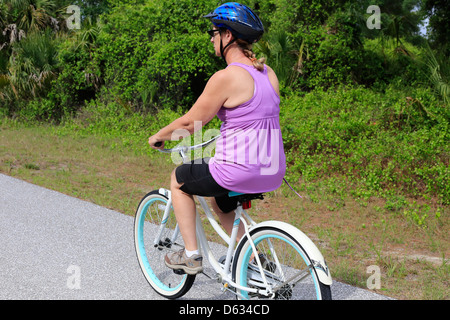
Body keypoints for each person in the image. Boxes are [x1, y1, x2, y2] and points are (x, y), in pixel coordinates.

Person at [148, 2, 286, 275]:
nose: (211, 38)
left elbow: (190, 123)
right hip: (272, 171)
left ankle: (190, 256)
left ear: (228, 36)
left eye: (213, 32)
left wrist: (158, 136)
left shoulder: (227, 77)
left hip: (237, 171)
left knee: (179, 179)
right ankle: (256, 257)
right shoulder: (268, 73)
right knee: (221, 201)